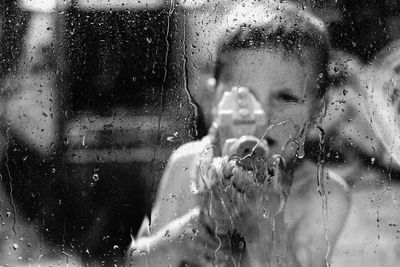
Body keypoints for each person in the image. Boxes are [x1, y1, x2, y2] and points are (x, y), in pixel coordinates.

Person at [127, 1, 351, 266]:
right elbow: (138, 260)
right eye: (243, 96)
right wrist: (176, 242)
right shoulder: (186, 165)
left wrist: (261, 226)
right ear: (213, 99)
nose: (262, 114)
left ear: (317, 111)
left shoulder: (322, 195)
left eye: (285, 97)